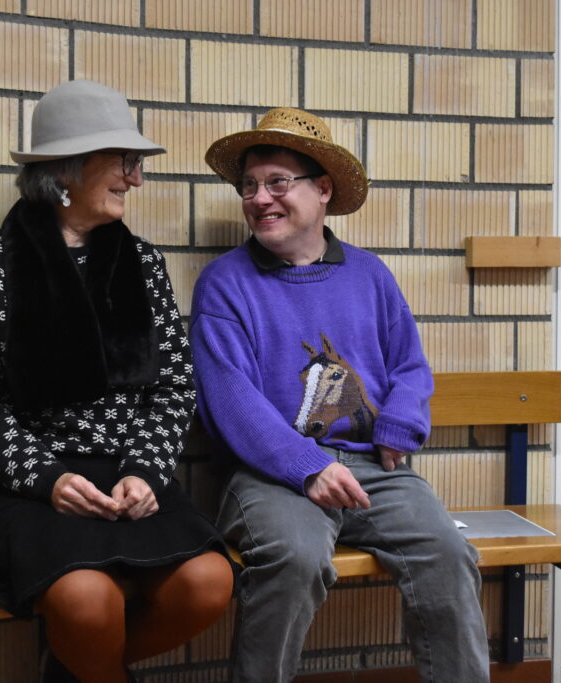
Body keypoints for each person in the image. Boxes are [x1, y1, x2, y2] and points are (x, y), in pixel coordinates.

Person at [0, 80, 234, 683]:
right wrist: (47, 477)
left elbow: (175, 387)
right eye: (124, 161)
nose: (136, 179)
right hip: (27, 488)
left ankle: (72, 670)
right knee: (86, 599)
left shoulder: (143, 264)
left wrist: (146, 471)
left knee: (209, 582)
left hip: (128, 478)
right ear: (66, 169)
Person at [189, 108, 490, 682]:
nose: (259, 199)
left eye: (278, 182)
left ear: (323, 189)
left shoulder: (369, 274)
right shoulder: (225, 283)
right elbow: (229, 398)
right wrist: (307, 467)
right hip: (270, 473)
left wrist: (399, 423)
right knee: (294, 558)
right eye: (249, 186)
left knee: (449, 553)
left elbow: (409, 364)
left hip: (374, 467)